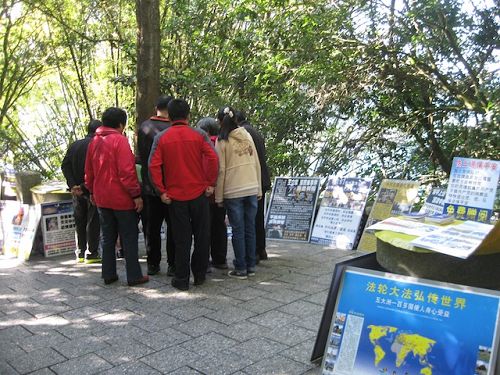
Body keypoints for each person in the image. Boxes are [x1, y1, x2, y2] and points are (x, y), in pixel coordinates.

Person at [149, 99, 218, 291]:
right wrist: (210, 183)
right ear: (188, 115)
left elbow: (153, 166)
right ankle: (200, 275)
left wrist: (161, 191)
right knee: (202, 235)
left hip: (175, 196)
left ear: (169, 116)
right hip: (199, 193)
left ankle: (181, 278)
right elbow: (213, 158)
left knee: (181, 238)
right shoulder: (200, 134)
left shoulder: (161, 137)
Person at [85, 107, 148, 286]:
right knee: (129, 236)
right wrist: (136, 194)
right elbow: (127, 172)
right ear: (121, 124)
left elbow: (89, 172)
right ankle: (134, 275)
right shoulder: (119, 141)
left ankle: (108, 274)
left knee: (108, 237)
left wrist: (91, 191)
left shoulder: (94, 141)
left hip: (102, 197)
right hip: (121, 198)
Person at [215, 106, 262, 279]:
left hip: (233, 190)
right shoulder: (247, 136)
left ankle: (240, 267)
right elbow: (256, 162)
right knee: (250, 228)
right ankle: (250, 266)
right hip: (251, 187)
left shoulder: (222, 140)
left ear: (220, 122)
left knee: (238, 230)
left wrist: (219, 196)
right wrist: (257, 187)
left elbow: (221, 170)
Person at [137, 95, 176, 276]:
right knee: (173, 226)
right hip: (172, 186)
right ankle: (172, 264)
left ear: (156, 107)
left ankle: (153, 264)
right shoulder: (173, 129)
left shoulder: (144, 127)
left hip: (149, 186)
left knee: (151, 227)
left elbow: (142, 158)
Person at [61, 119, 102, 264]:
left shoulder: (75, 145)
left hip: (77, 191)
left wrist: (73, 185)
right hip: (91, 189)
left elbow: (65, 166)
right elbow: (98, 170)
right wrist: (84, 186)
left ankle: (79, 252)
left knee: (79, 220)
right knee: (93, 220)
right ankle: (91, 253)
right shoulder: (97, 145)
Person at [235, 110, 271, 262]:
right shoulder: (254, 131)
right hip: (261, 178)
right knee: (258, 217)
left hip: (253, 180)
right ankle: (261, 249)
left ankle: (254, 252)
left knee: (251, 218)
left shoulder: (244, 134)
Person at [196, 117, 228, 269]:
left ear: (206, 131)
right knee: (220, 226)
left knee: (204, 228)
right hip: (222, 192)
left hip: (207, 193)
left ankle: (204, 262)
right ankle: (220, 259)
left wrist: (208, 184)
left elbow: (206, 166)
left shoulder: (205, 144)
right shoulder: (223, 141)